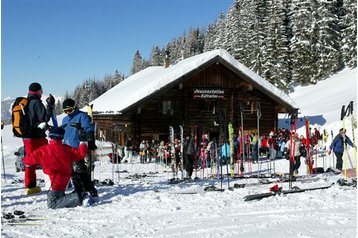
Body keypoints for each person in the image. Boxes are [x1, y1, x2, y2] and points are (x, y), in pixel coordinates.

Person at [23, 127, 92, 209]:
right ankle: (79, 195)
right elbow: (80, 154)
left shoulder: (43, 150)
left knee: (52, 204)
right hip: (65, 179)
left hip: (53, 180)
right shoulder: (67, 148)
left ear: (50, 137)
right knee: (60, 197)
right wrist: (82, 141)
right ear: (62, 137)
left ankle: (81, 196)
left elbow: (27, 161)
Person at [61, 98, 98, 197]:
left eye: (69, 110)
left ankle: (90, 188)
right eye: (65, 111)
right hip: (67, 147)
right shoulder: (65, 119)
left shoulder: (82, 116)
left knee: (80, 169)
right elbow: (63, 132)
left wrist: (90, 139)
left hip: (78, 147)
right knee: (71, 171)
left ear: (74, 107)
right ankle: (78, 189)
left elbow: (88, 128)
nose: (68, 113)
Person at [23, 82, 54, 195]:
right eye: (41, 91)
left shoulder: (25, 103)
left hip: (26, 137)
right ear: (37, 91)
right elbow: (45, 118)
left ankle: (30, 186)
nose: (42, 93)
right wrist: (50, 106)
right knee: (48, 157)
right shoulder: (36, 103)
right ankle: (53, 183)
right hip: (37, 136)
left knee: (30, 161)